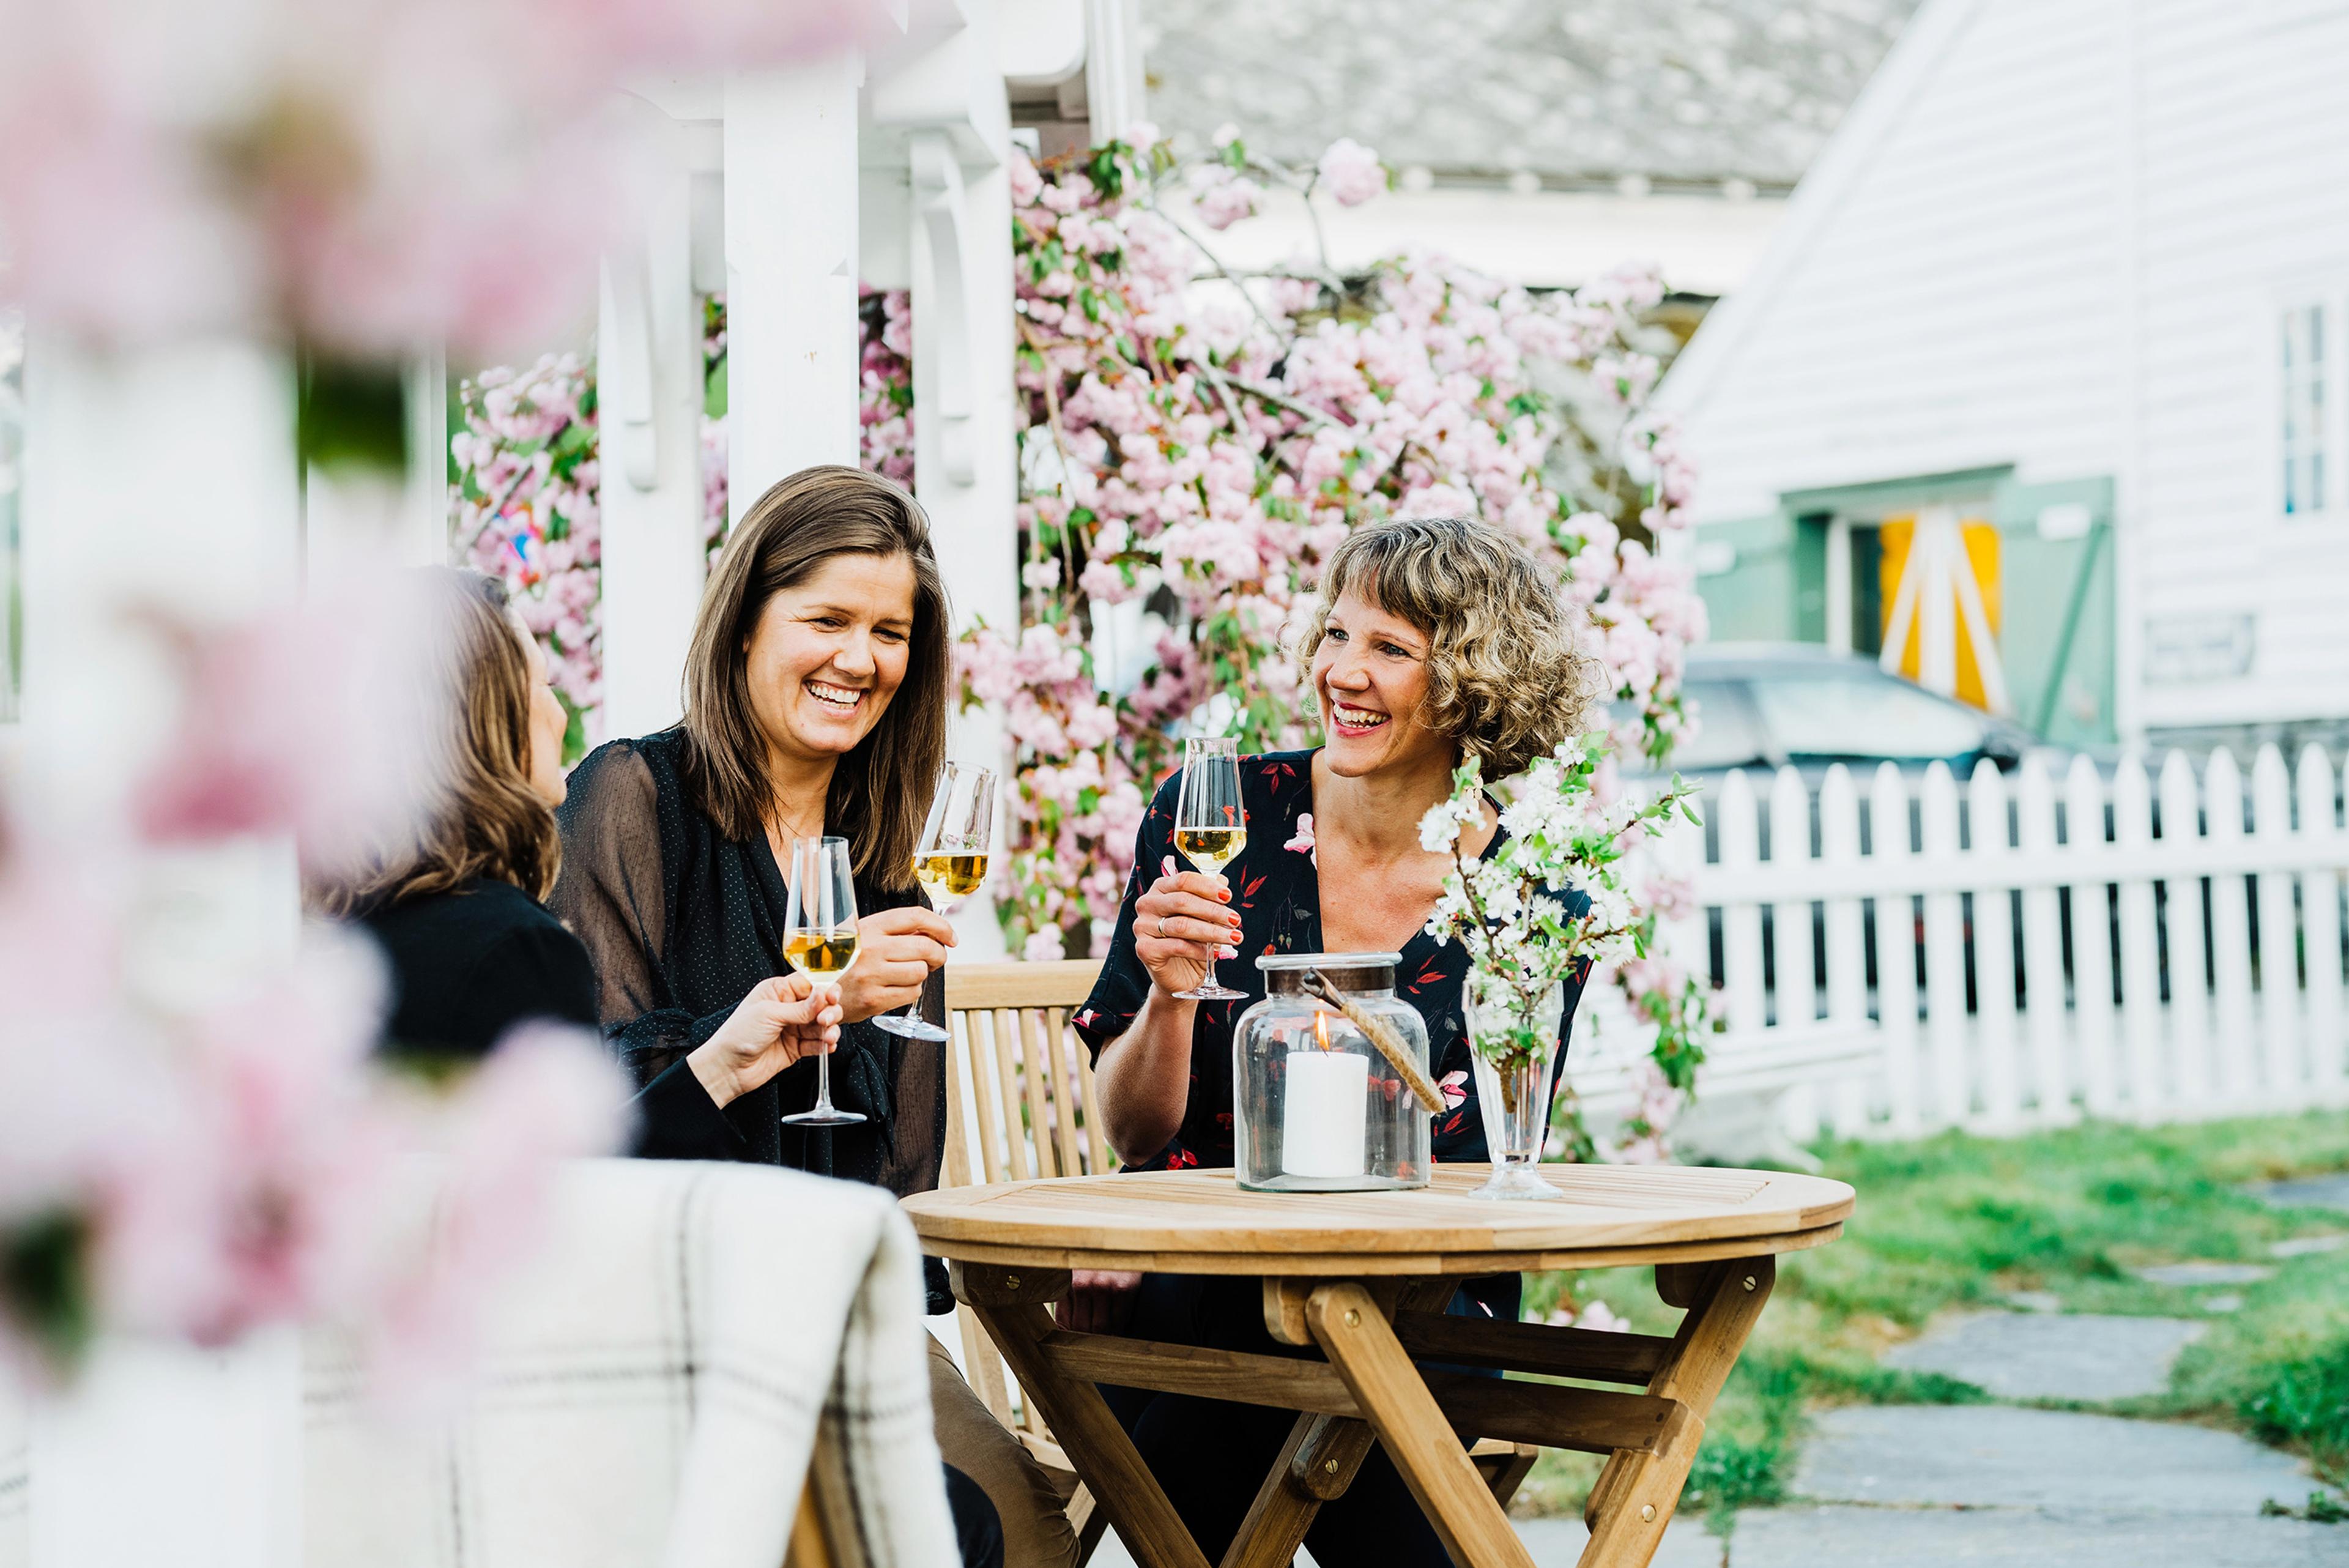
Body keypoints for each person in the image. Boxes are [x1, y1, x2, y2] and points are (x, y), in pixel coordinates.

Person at [318, 568, 1003, 1566]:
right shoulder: (518, 943)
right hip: (589, 1419)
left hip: (410, 1425)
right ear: (487, 724)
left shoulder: (348, 937)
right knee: (962, 1522)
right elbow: (584, 1223)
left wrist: (723, 1064)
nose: (560, 709)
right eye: (541, 683)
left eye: (889, 631)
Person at [551, 467, 1074, 1568]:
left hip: (843, 1314)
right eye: (827, 619)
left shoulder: (893, 861)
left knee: (1025, 1530)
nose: (860, 659)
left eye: (890, 632)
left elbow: (900, 1184)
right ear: (745, 623)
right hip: (674, 1321)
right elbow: (599, 1114)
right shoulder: (632, 801)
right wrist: (810, 1007)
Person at [1068, 514, 1600, 1563]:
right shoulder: (1217, 815)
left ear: (1475, 687)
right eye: (1337, 635)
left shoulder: (1530, 900)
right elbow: (1137, 1135)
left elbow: (1490, 1159)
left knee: (1318, 1368)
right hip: (1199, 1284)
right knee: (1252, 1339)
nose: (1342, 673)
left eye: (1391, 650)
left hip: (1418, 1305)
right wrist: (1173, 999)